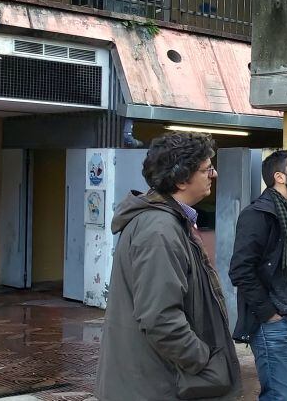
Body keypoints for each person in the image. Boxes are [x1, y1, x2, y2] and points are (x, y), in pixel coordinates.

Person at [96, 132, 241, 400]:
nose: (214, 174)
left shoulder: (169, 223)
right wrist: (201, 359)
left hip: (156, 381)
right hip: (155, 386)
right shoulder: (159, 230)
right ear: (182, 178)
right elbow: (160, 318)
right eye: (207, 169)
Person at [230, 150, 287, 401]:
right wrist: (268, 313)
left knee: (284, 394)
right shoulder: (259, 215)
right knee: (279, 397)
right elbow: (240, 269)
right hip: (274, 324)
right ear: (279, 177)